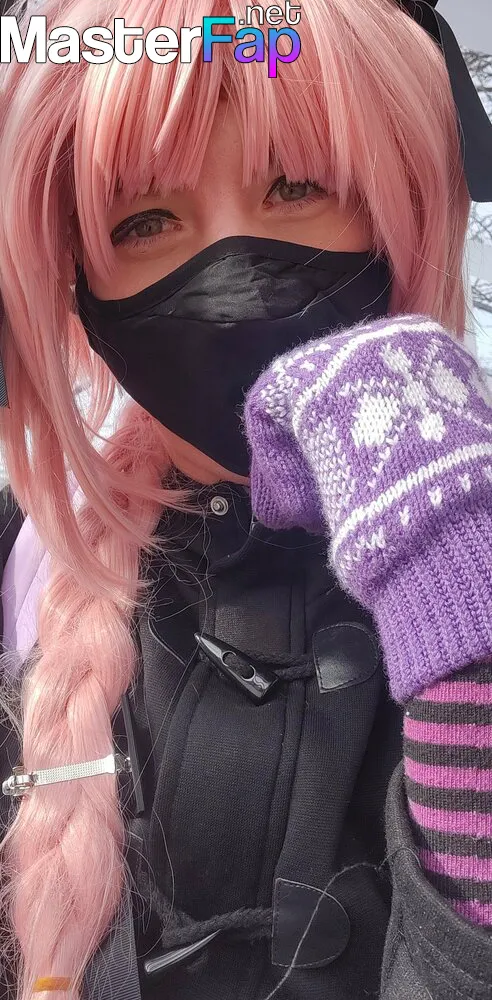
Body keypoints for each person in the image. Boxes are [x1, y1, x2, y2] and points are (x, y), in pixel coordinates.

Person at [0, 1, 491, 999]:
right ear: (81, 288)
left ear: (401, 207)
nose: (236, 279)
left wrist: (464, 642)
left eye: (297, 186)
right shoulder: (26, 567)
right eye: (145, 221)